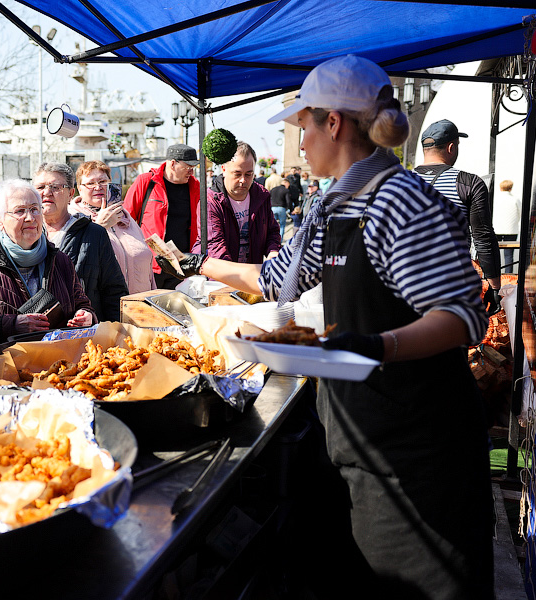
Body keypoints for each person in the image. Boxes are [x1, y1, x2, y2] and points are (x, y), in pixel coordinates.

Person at [156, 55, 492, 599]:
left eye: (303, 125)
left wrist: (376, 345)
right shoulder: (334, 204)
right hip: (360, 440)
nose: (301, 139)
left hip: (417, 456)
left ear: (333, 123)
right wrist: (200, 266)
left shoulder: (398, 200)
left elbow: (460, 315)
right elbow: (279, 276)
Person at [0, 179, 95, 343]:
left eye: (34, 209)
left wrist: (86, 316)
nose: (30, 218)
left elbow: (82, 304)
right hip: (6, 364)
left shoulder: (60, 260)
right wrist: (13, 324)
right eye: (20, 211)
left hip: (60, 363)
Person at [414, 119, 502, 314]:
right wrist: (495, 287)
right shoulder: (468, 183)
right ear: (451, 147)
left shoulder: (399, 182)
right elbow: (483, 237)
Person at [34, 162, 128, 322]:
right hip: (34, 336)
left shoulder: (93, 234)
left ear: (71, 193)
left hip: (83, 334)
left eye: (56, 187)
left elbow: (114, 292)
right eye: (40, 187)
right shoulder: (24, 233)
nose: (47, 193)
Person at [71, 160, 155, 294]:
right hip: (105, 308)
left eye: (103, 182)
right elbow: (75, 263)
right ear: (79, 189)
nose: (98, 187)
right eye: (90, 183)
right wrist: (99, 227)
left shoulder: (126, 218)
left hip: (139, 305)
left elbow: (147, 267)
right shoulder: (73, 219)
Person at [124, 143, 201, 289]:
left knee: (176, 308)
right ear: (172, 163)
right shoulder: (146, 181)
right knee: (149, 308)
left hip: (182, 264)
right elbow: (125, 218)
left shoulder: (195, 186)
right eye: (188, 167)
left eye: (193, 168)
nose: (191, 172)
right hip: (150, 264)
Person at [190, 141, 281, 263]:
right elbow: (215, 247)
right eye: (237, 174)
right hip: (220, 276)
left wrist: (273, 251)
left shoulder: (262, 196)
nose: (243, 180)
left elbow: (272, 231)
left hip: (251, 271)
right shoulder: (210, 201)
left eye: (249, 174)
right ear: (224, 169)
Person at [494, 179, 521, 274]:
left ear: (500, 188)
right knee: (509, 255)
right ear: (511, 188)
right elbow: (520, 214)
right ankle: (508, 275)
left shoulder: (495, 199)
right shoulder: (515, 199)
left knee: (494, 253)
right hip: (511, 230)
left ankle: (494, 274)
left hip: (496, 229)